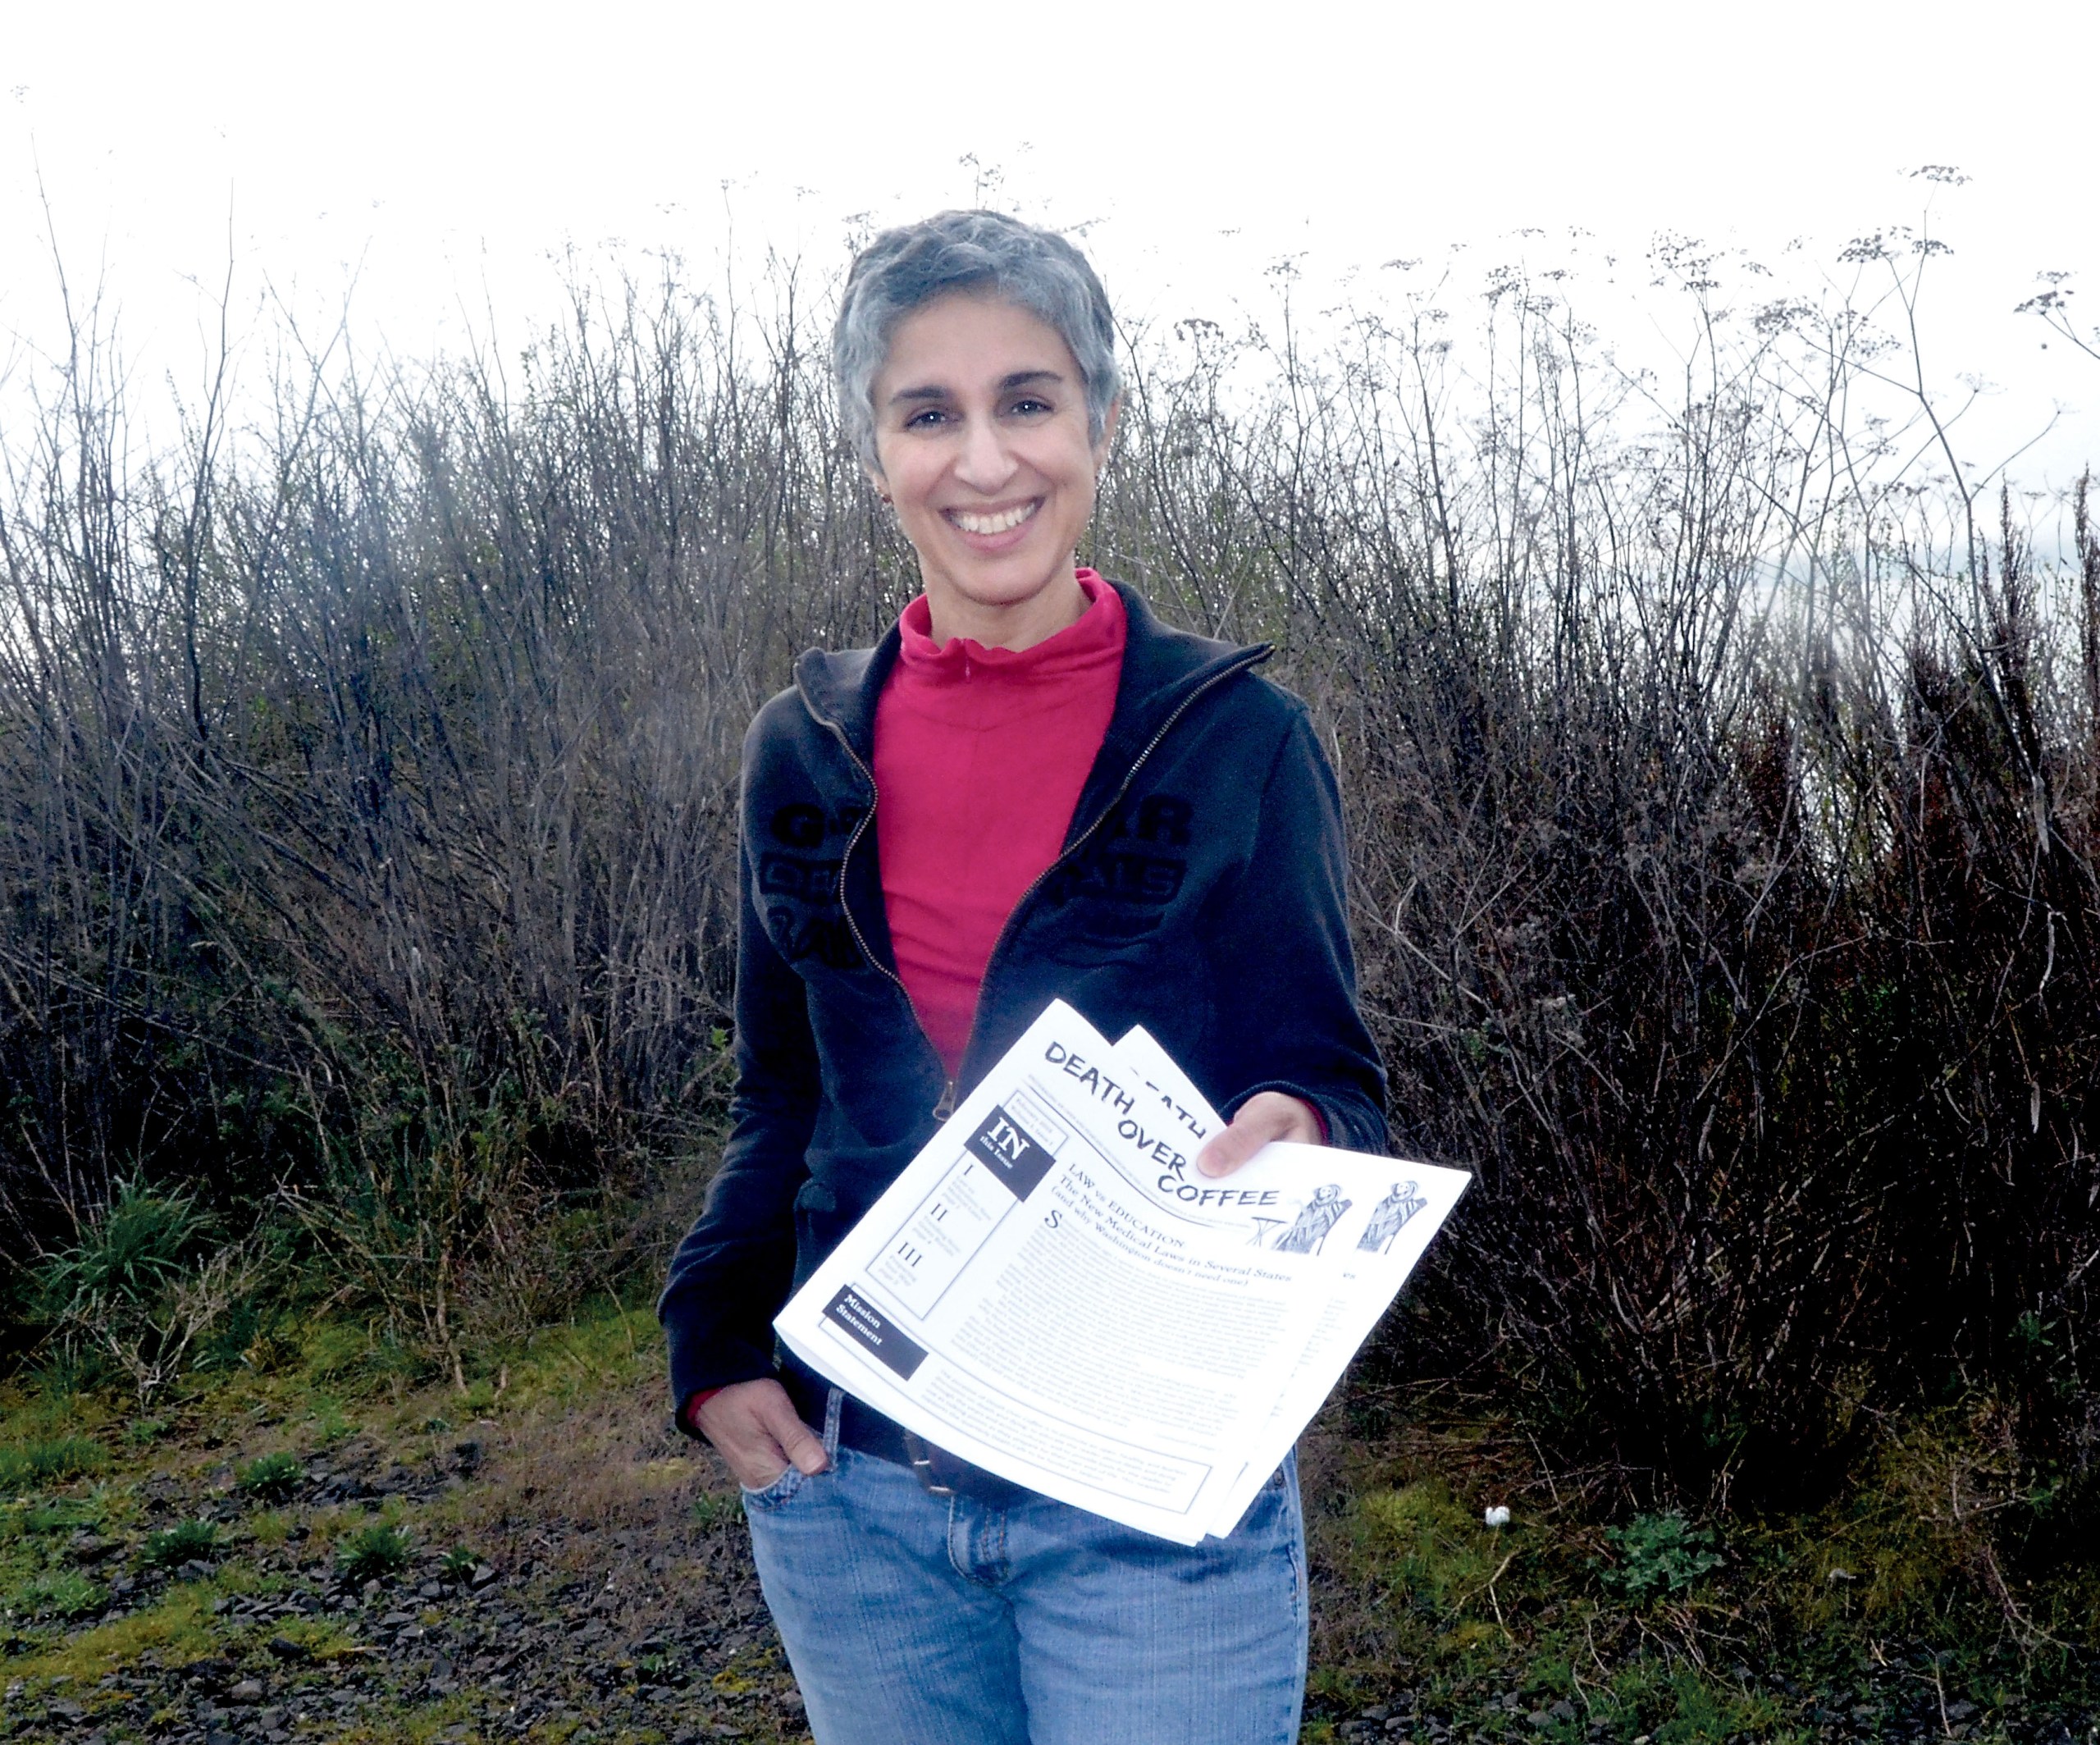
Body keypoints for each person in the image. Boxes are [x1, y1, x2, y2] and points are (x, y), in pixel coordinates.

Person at [658, 209, 1386, 1745]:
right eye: (930, 414)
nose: (985, 460)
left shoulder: (1237, 739)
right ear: (875, 454)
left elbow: (1332, 1077)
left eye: (1029, 401)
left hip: (1148, 1504)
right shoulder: (800, 750)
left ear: (1101, 425)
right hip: (852, 1494)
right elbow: (778, 1093)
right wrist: (710, 1348)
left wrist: (1300, 1126)